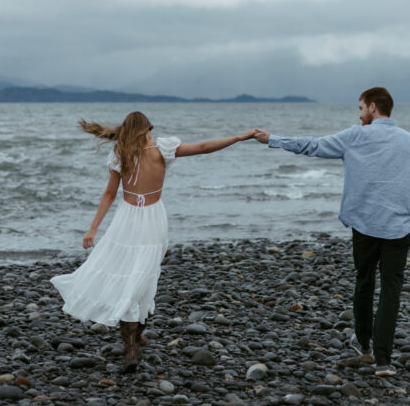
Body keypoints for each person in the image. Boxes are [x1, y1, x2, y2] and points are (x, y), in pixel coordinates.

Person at [51, 111, 256, 371]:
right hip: (153, 218)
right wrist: (241, 136)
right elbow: (204, 147)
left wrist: (92, 229)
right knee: (144, 277)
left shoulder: (120, 153)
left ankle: (132, 344)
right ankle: (133, 344)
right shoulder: (162, 148)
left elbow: (109, 194)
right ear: (147, 129)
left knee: (128, 275)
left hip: (126, 219)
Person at [254, 87, 410, 377]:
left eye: (361, 108)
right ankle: (384, 362)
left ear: (374, 107)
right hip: (398, 227)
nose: (359, 113)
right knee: (391, 292)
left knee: (364, 283)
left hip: (364, 225)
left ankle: (363, 344)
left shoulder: (355, 136)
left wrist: (272, 140)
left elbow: (313, 146)